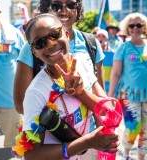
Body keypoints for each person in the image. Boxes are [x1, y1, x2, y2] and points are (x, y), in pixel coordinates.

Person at [11, 13, 119, 160]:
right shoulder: (36, 92)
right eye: (40, 43)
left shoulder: (82, 63)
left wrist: (81, 93)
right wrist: (88, 142)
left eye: (55, 34)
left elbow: (108, 113)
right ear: (34, 52)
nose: (50, 44)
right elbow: (32, 155)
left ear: (67, 34)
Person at [14, 0, 105, 115]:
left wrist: (81, 93)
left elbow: (103, 101)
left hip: (92, 128)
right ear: (46, 8)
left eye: (71, 5)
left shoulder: (91, 43)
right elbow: (21, 105)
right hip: (53, 129)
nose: (63, 11)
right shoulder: (31, 48)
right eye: (56, 5)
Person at [0, 0, 25, 157]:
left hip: (11, 104)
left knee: (15, 150)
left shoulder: (14, 34)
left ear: (0, 11)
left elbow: (26, 63)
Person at [108, 12, 147, 160]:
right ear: (127, 28)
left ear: (144, 27)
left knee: (146, 130)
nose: (135, 28)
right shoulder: (123, 47)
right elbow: (115, 73)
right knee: (133, 127)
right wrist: (110, 95)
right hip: (128, 94)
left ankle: (141, 157)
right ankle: (126, 154)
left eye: (139, 25)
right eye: (132, 25)